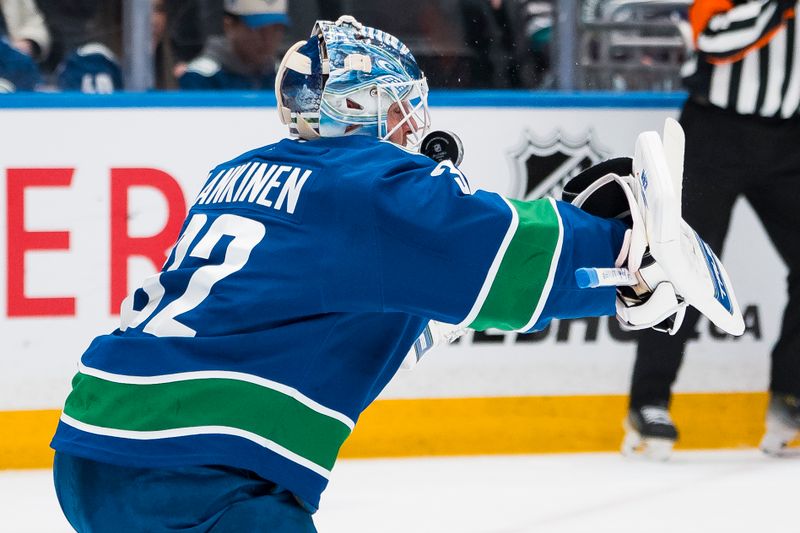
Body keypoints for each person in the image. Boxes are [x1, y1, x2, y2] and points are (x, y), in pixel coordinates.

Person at [49, 15, 727, 532]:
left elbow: (317, 306)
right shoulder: (364, 183)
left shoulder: (236, 173)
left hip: (93, 440)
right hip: (195, 469)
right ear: (354, 105)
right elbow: (491, 246)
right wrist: (623, 255)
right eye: (397, 104)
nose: (410, 124)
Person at [622, 0, 800, 459]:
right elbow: (715, 40)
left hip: (790, 141)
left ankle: (791, 398)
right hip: (715, 133)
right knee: (680, 265)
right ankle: (649, 401)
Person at [178, 0, 288, 90]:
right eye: (257, 29)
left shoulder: (284, 77)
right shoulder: (200, 78)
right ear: (229, 25)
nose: (268, 39)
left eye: (276, 29)